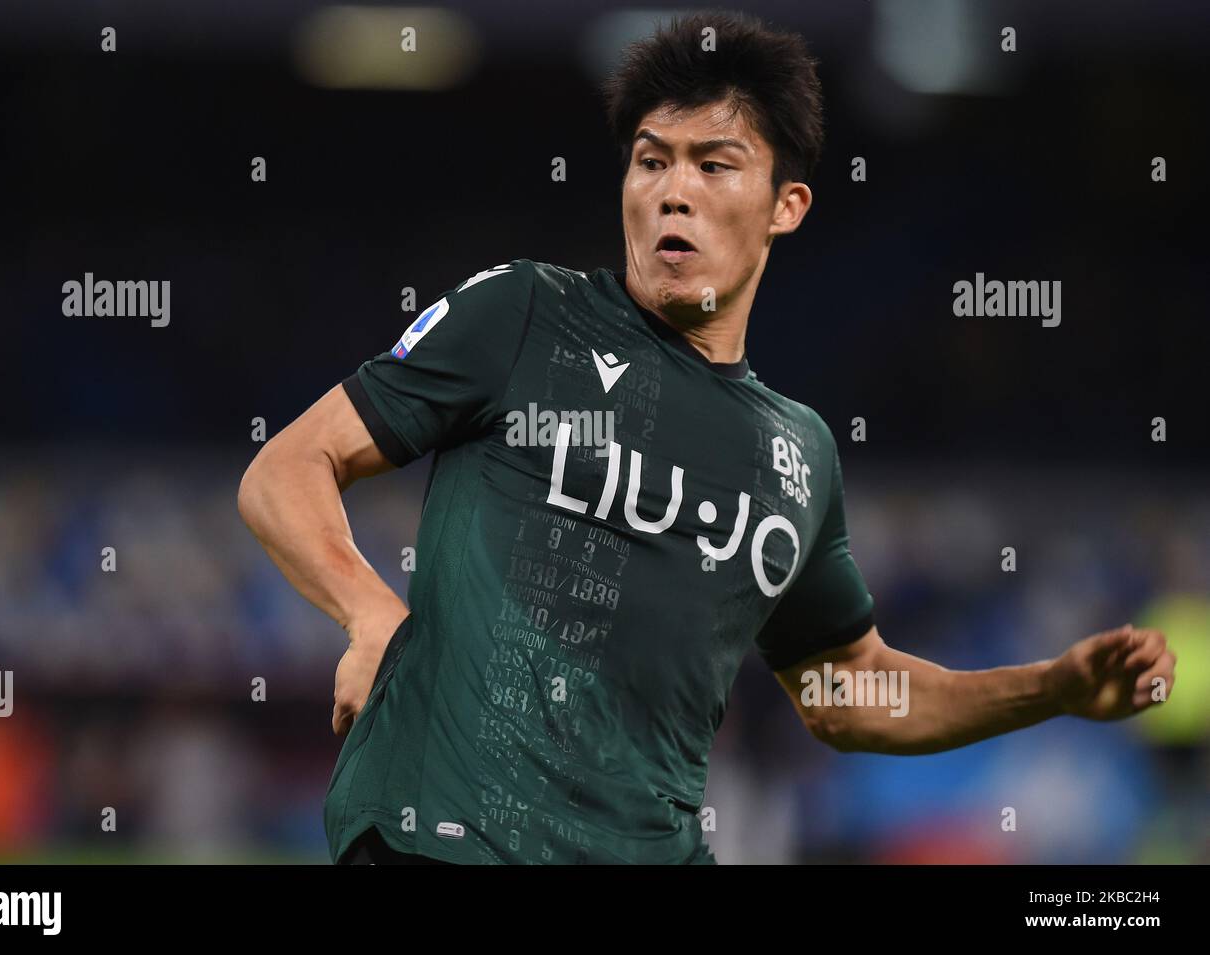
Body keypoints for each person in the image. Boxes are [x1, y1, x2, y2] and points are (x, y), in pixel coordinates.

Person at [238, 11, 1177, 865]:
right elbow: (288, 468)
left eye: (714, 164)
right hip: (440, 839)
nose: (672, 193)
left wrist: (1047, 689)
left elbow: (845, 693)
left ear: (786, 205)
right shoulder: (526, 313)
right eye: (651, 161)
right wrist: (368, 611)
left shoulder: (797, 453)